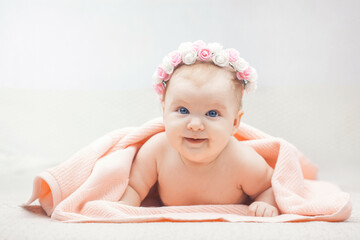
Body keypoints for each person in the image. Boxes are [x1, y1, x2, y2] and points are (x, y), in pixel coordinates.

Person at [119, 40, 279, 217]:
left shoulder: (242, 160)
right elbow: (134, 187)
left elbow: (270, 187)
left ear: (234, 123)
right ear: (164, 113)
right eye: (183, 110)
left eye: (211, 113)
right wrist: (125, 208)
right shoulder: (157, 150)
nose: (195, 125)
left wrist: (265, 203)